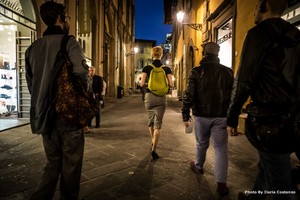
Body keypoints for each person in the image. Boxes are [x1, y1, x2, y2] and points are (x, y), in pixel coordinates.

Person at [226, 0, 300, 199]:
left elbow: (244, 80)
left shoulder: (258, 34)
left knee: (280, 183)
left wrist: (231, 117)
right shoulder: (296, 35)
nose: (253, 12)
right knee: (267, 164)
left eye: (257, 5)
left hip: (269, 119)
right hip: (293, 118)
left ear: (264, 6)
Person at [25, 1, 88, 200]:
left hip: (44, 117)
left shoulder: (32, 49)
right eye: (67, 17)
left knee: (52, 163)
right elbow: (80, 72)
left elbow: (31, 84)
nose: (68, 21)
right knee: (71, 166)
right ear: (60, 19)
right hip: (68, 115)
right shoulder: (69, 42)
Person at [182, 42, 234, 196]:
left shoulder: (196, 71)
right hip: (222, 116)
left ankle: (198, 166)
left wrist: (185, 114)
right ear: (217, 54)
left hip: (201, 115)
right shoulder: (228, 72)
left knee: (201, 142)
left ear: (204, 53)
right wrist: (233, 116)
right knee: (221, 148)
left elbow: (189, 94)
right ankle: (221, 183)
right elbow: (233, 96)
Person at [140, 46, 173, 160]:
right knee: (158, 124)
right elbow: (172, 84)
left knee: (151, 122)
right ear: (161, 54)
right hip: (161, 98)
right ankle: (154, 148)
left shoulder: (146, 68)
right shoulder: (167, 69)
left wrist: (149, 85)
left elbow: (142, 83)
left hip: (149, 96)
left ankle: (152, 141)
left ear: (152, 54)